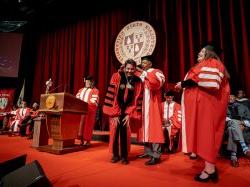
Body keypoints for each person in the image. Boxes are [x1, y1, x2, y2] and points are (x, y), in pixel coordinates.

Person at [175, 42, 230, 182]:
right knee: (206, 135)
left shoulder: (212, 62)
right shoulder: (209, 64)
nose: (198, 54)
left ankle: (210, 170)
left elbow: (207, 82)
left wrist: (183, 84)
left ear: (209, 53)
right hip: (205, 107)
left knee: (207, 135)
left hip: (208, 107)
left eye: (201, 51)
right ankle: (210, 166)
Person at [103, 59, 142, 164]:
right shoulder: (117, 76)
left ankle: (124, 156)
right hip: (115, 109)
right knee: (115, 132)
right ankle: (115, 155)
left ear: (135, 69)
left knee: (125, 134)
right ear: (124, 67)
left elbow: (136, 99)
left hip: (127, 111)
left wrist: (129, 114)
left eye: (132, 69)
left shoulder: (137, 81)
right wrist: (114, 113)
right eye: (128, 68)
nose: (129, 71)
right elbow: (112, 95)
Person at [136, 55, 165, 165]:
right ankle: (148, 152)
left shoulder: (156, 72)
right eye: (142, 62)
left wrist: (143, 73)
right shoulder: (141, 73)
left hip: (153, 104)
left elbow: (156, 84)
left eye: (145, 62)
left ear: (150, 64)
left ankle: (156, 155)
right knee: (144, 128)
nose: (142, 64)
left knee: (154, 127)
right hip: (143, 105)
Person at [226, 94, 250, 167]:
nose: (230, 98)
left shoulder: (244, 107)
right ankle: (245, 148)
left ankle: (233, 157)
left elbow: (249, 117)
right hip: (228, 124)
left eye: (232, 96)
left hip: (243, 126)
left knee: (231, 129)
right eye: (228, 96)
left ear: (235, 98)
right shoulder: (223, 107)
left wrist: (244, 123)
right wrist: (236, 123)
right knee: (233, 122)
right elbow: (222, 119)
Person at [76, 76, 99, 146]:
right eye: (86, 82)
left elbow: (94, 101)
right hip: (81, 111)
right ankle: (81, 140)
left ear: (92, 82)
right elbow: (77, 98)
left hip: (89, 111)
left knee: (87, 126)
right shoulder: (80, 90)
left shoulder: (95, 91)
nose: (87, 83)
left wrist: (85, 105)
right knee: (80, 126)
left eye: (89, 82)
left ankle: (87, 140)